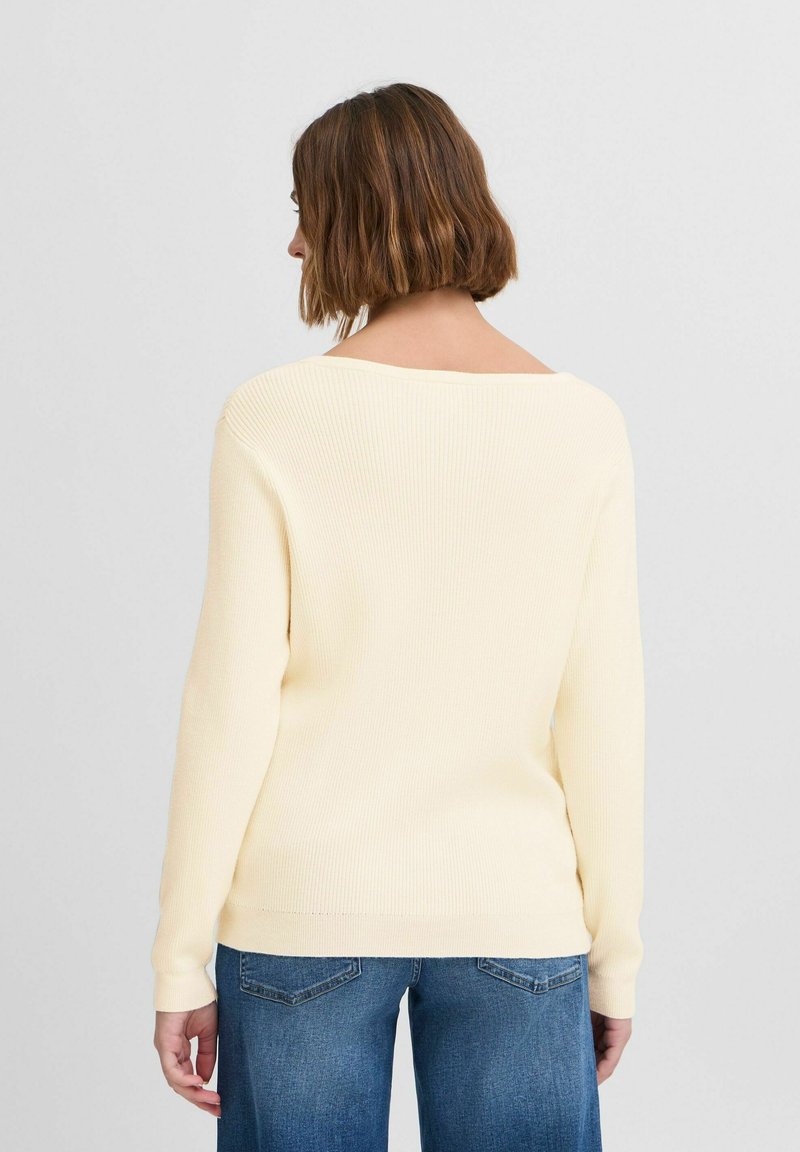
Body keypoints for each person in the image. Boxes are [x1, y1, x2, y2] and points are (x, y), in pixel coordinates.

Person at [151, 82, 646, 1152]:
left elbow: (227, 705)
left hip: (300, 913)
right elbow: (601, 714)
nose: (294, 245)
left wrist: (180, 960)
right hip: (517, 912)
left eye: (305, 212)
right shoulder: (583, 424)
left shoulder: (273, 415)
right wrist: (614, 957)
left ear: (352, 216)